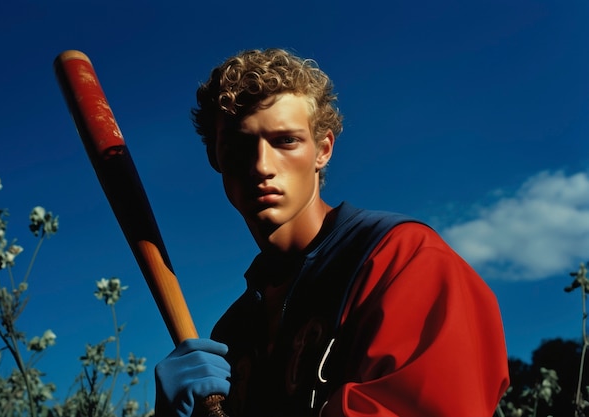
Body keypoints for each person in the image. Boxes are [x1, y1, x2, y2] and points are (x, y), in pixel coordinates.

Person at [155, 48, 509, 417]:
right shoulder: (232, 334)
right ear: (216, 159)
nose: (261, 165)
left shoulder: (402, 258)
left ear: (322, 150)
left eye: (286, 141)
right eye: (238, 146)